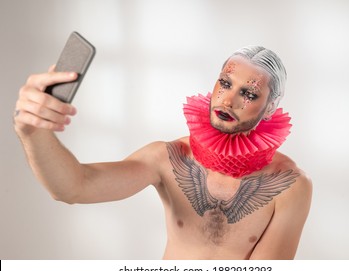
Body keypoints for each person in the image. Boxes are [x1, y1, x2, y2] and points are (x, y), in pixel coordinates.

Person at [14, 46, 312, 259]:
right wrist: (33, 132)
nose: (229, 100)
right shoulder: (168, 158)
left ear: (271, 106)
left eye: (248, 93)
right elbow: (74, 187)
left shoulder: (290, 185)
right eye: (225, 83)